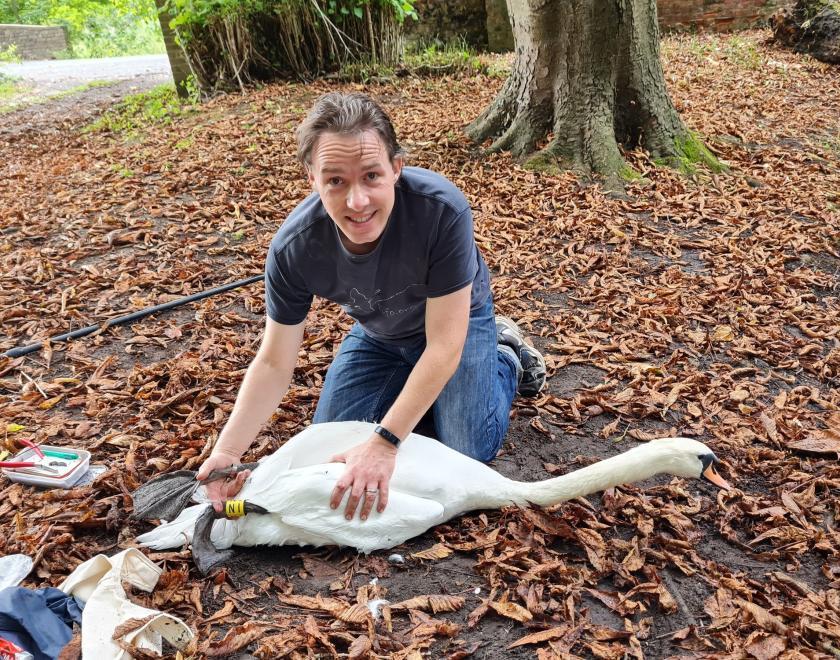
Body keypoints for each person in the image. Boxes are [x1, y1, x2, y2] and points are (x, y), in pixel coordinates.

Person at [196, 92, 546, 521]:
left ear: (396, 168)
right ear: (313, 179)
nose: (357, 201)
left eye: (371, 176)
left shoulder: (441, 210)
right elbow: (273, 362)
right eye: (336, 181)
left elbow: (443, 345)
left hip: (456, 323)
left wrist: (384, 443)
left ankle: (506, 354)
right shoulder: (294, 248)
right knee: (330, 447)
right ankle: (411, 387)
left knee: (466, 449)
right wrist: (228, 452)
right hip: (380, 331)